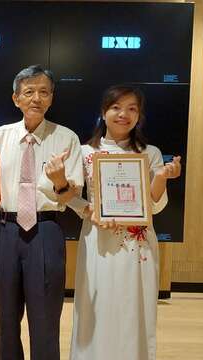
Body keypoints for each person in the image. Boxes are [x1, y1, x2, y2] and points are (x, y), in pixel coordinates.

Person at [68, 84, 181, 360]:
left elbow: (154, 203)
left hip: (137, 246)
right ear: (103, 112)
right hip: (98, 240)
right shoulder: (84, 152)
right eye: (117, 107)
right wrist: (89, 210)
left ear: (139, 115)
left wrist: (163, 177)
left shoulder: (149, 152)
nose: (124, 114)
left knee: (134, 307)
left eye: (132, 109)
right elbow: (69, 196)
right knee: (97, 305)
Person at [0, 64, 84, 360]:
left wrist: (59, 181)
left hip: (46, 230)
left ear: (52, 98)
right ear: (16, 98)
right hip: (5, 229)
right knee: (6, 318)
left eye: (44, 92)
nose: (36, 98)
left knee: (45, 319)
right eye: (29, 92)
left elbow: (71, 196)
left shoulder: (66, 138)